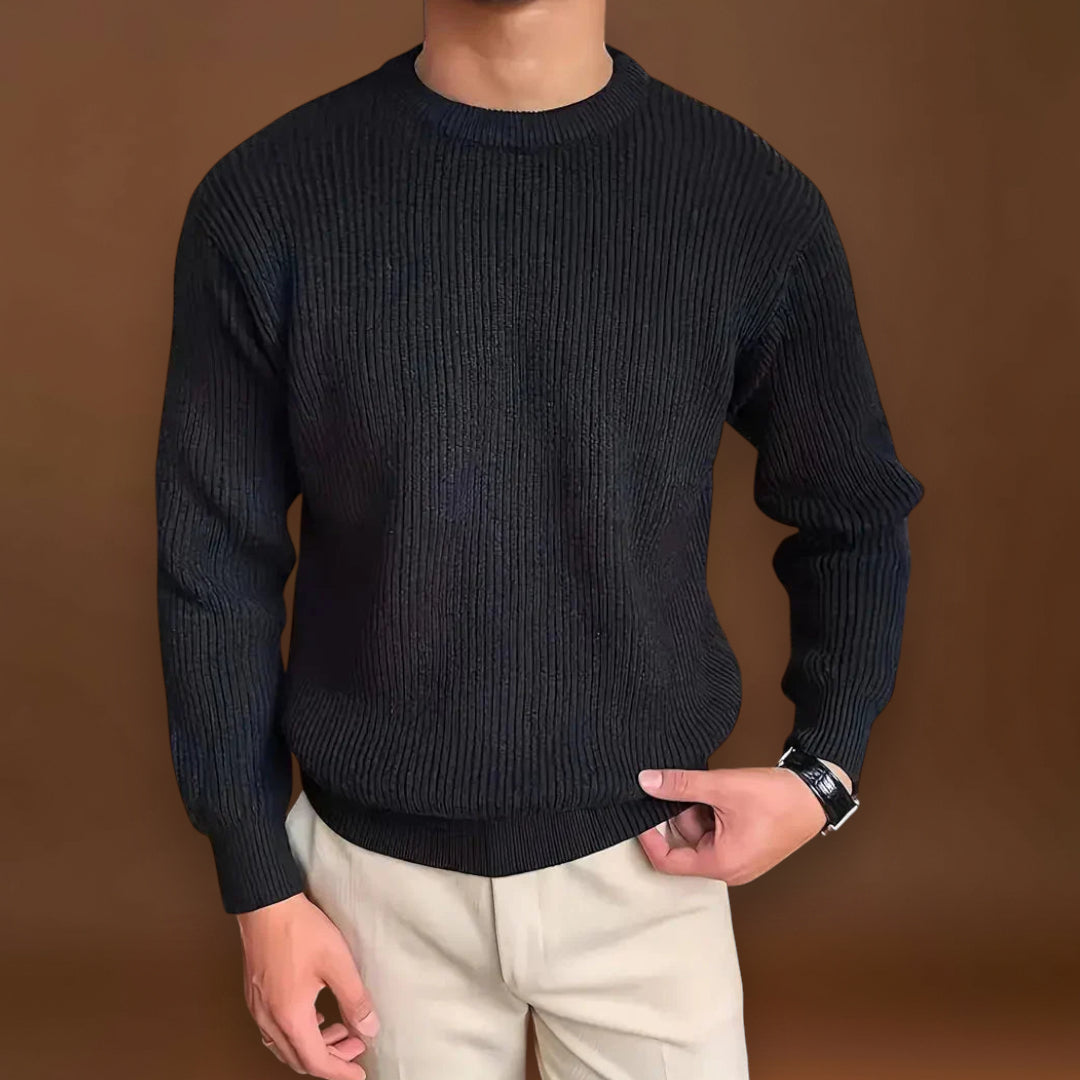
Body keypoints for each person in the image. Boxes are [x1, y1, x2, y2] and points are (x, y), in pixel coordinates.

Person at [154, 1, 925, 1077]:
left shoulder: (748, 204)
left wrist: (824, 770)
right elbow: (213, 559)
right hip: (367, 891)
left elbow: (853, 509)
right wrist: (256, 879)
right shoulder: (266, 201)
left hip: (649, 866)